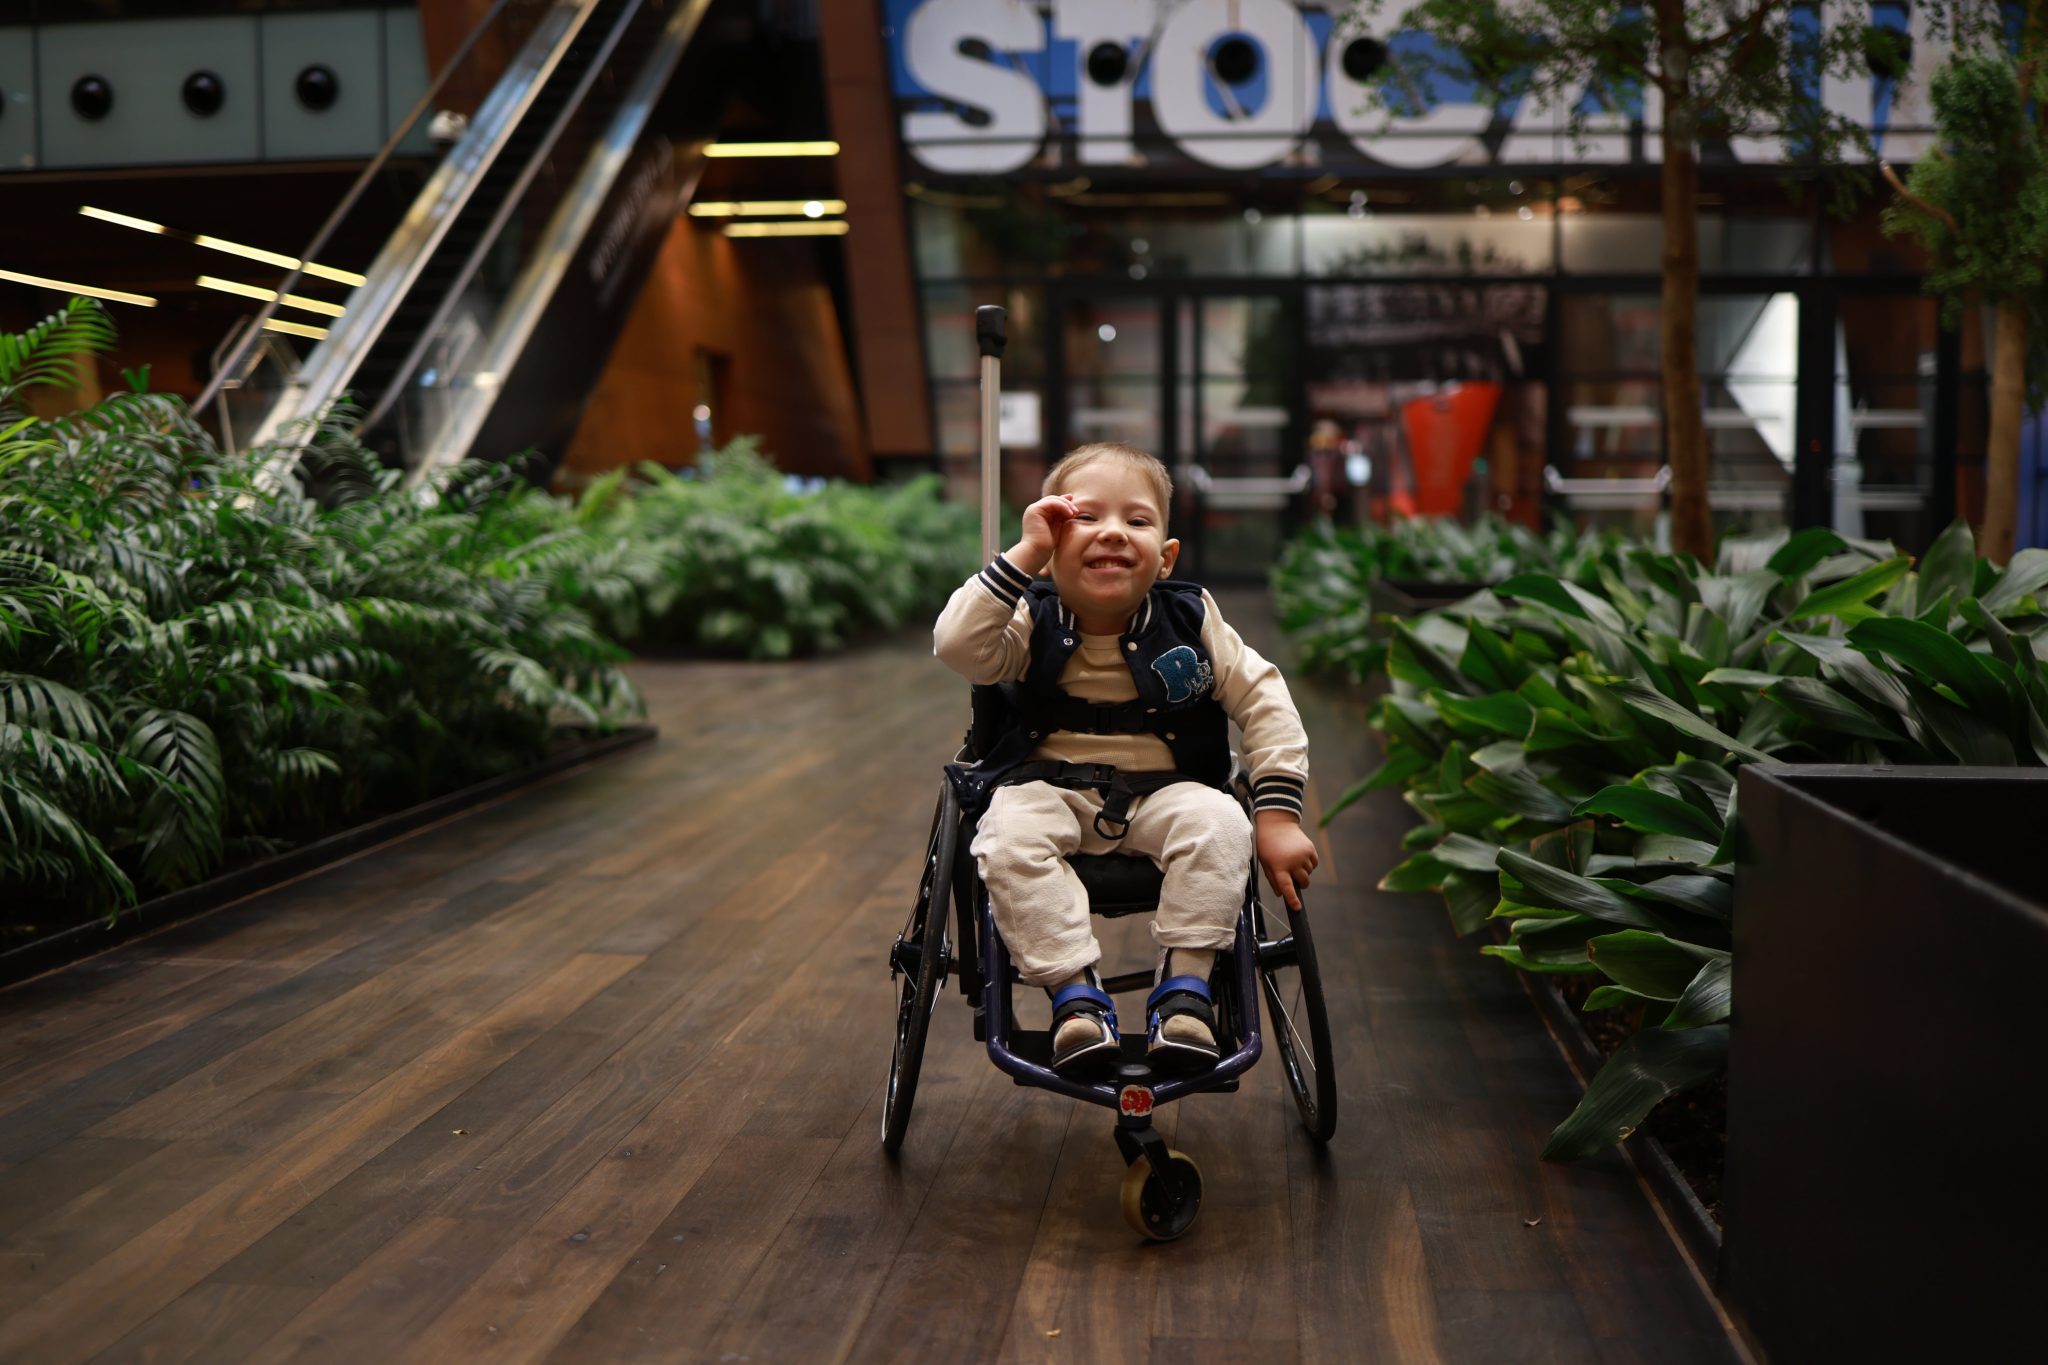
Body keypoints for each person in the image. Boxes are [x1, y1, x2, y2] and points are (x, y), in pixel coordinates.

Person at [933, 442, 1317, 1075]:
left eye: (1137, 520)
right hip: (1046, 789)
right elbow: (956, 646)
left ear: (1165, 558)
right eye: (1085, 517)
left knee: (1224, 824)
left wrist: (1276, 817)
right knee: (1004, 837)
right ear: (1052, 545)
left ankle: (1186, 991)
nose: (1112, 531)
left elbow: (1265, 701)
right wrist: (1025, 556)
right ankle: (1075, 997)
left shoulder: (1192, 619)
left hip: (1169, 791)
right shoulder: (1027, 618)